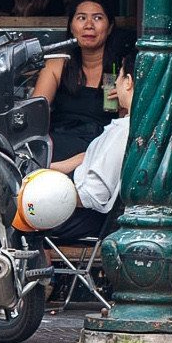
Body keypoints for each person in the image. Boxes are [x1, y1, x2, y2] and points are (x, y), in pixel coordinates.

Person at [37, 50, 132, 245]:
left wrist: (47, 196)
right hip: (80, 208)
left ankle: (34, 264)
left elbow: (93, 196)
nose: (115, 82)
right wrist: (43, 171)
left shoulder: (123, 130)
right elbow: (87, 158)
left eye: (120, 76)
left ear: (128, 82)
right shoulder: (128, 127)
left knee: (19, 212)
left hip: (84, 217)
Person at [33, 0, 120, 173]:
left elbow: (126, 128)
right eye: (81, 18)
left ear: (110, 27)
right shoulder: (58, 64)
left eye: (98, 18)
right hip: (60, 143)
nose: (89, 25)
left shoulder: (119, 70)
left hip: (100, 150)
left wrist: (125, 100)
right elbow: (35, 111)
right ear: (71, 27)